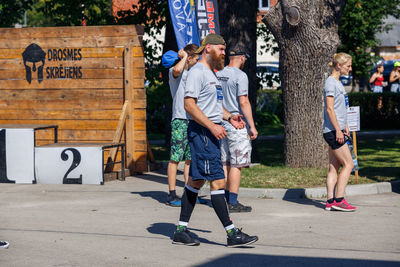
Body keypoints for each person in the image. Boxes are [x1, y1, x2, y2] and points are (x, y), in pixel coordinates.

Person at [172, 33, 258, 247]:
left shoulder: (212, 74)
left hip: (209, 132)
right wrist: (211, 126)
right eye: (221, 49)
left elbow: (212, 106)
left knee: (196, 182)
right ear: (208, 48)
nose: (224, 53)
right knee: (218, 181)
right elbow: (189, 105)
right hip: (202, 133)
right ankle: (231, 234)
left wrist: (230, 116)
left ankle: (181, 231)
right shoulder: (197, 73)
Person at [217, 44, 258, 212]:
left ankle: (223, 199)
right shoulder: (240, 76)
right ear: (242, 58)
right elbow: (243, 101)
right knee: (237, 164)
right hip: (236, 121)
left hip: (221, 121)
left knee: (225, 162)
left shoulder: (218, 74)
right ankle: (232, 201)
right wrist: (252, 126)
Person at [165, 44, 200, 206]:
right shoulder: (175, 73)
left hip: (192, 120)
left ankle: (188, 193)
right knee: (175, 159)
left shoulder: (193, 74)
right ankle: (172, 194)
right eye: (196, 58)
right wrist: (184, 57)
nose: (198, 61)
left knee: (189, 159)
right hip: (179, 120)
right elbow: (177, 70)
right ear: (190, 58)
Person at [323, 52, 356, 212]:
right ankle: (339, 199)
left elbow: (340, 108)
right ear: (339, 65)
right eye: (348, 66)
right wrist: (338, 130)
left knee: (334, 166)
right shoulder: (331, 83)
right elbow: (330, 109)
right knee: (349, 164)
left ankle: (330, 201)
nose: (350, 69)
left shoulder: (337, 83)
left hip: (338, 129)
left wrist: (345, 127)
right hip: (333, 131)